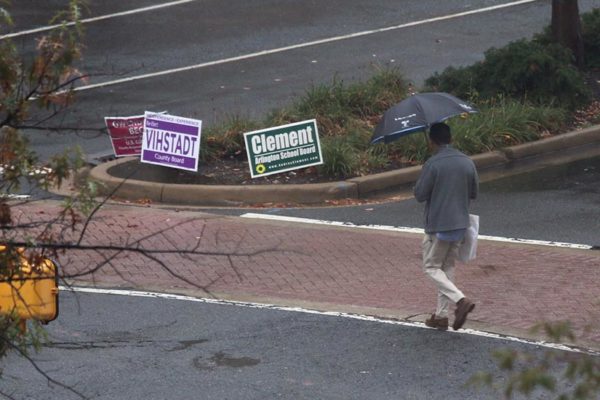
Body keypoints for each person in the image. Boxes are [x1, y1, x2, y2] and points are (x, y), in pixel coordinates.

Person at [414, 122, 479, 331]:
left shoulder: (433, 164)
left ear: (431, 141)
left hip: (438, 225)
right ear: (451, 139)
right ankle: (441, 315)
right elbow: (474, 193)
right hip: (460, 224)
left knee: (431, 267)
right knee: (447, 267)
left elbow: (420, 194)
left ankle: (461, 301)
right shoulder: (467, 162)